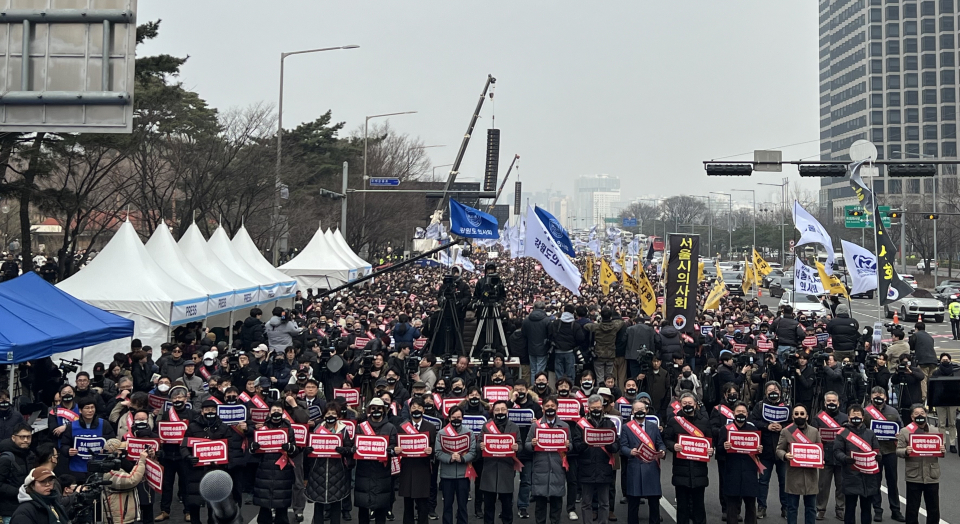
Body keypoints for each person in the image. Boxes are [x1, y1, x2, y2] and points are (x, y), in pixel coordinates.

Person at [662, 391, 713, 524]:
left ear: (696, 405)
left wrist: (710, 450)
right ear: (680, 405)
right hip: (681, 470)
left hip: (699, 470)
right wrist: (673, 446)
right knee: (682, 507)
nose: (687, 405)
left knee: (699, 507)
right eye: (684, 403)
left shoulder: (704, 421)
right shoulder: (674, 421)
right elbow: (666, 439)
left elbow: (710, 441)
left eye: (690, 403)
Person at [181, 400, 232, 524]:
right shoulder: (193, 426)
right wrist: (188, 456)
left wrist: (222, 461)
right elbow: (183, 446)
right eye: (207, 409)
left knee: (213, 505)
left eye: (213, 409)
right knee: (194, 504)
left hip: (214, 471)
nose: (210, 412)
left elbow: (229, 447)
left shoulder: (223, 427)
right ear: (202, 411)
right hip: (195, 471)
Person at [572, 395, 620, 524]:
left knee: (604, 502)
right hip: (586, 466)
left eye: (599, 407)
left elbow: (616, 445)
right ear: (588, 408)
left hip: (604, 466)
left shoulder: (609, 423)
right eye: (594, 408)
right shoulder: (580, 425)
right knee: (586, 502)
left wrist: (609, 444)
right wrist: (585, 443)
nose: (597, 410)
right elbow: (576, 446)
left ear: (603, 407)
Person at [306, 402, 354, 524]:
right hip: (318, 470)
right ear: (324, 415)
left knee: (336, 504)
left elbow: (350, 448)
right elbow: (309, 448)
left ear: (338, 416)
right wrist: (308, 450)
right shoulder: (317, 429)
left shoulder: (343, 430)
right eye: (328, 413)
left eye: (333, 413)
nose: (331, 415)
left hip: (337, 471)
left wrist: (344, 450)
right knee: (318, 504)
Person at [524, 397, 570, 524]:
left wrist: (568, 445)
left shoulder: (564, 426)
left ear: (557, 407)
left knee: (556, 505)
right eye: (547, 406)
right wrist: (532, 444)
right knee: (540, 506)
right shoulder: (535, 425)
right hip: (541, 468)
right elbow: (526, 445)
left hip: (557, 467)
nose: (550, 408)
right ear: (543, 408)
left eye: (552, 406)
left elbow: (571, 447)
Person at [250, 402, 298, 524]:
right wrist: (253, 447)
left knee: (282, 510)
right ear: (269, 413)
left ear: (282, 413)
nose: (276, 412)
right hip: (264, 471)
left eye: (278, 410)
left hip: (283, 471)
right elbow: (254, 454)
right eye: (273, 410)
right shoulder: (261, 429)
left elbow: (296, 451)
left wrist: (290, 448)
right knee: (264, 509)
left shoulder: (289, 430)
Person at [862, 387, 905, 522]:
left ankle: (895, 510)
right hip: (874, 452)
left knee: (892, 482)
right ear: (871, 396)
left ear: (885, 397)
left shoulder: (893, 411)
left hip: (890, 451)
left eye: (881, 394)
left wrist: (899, 435)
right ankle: (877, 510)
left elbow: (901, 428)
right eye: (875, 394)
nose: (878, 396)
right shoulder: (865, 412)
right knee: (875, 482)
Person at [833, 405, 880, 524]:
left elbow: (877, 450)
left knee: (866, 509)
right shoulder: (842, 433)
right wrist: (845, 458)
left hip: (868, 476)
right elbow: (837, 451)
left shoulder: (870, 433)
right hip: (850, 474)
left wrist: (879, 457)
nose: (855, 417)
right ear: (848, 417)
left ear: (863, 418)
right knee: (850, 508)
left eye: (858, 415)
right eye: (853, 415)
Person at [619, 400, 665, 524]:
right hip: (635, 466)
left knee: (654, 502)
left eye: (642, 409)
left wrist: (662, 451)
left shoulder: (653, 426)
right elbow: (622, 446)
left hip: (651, 467)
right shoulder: (627, 427)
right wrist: (630, 451)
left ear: (646, 411)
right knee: (633, 503)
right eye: (637, 410)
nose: (640, 412)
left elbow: (660, 443)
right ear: (633, 412)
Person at [895, 405, 942, 524]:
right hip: (914, 475)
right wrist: (906, 451)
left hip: (932, 475)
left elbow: (941, 451)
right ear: (912, 417)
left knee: (933, 508)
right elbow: (898, 451)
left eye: (922, 413)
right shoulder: (905, 431)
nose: (920, 415)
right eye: (916, 414)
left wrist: (942, 449)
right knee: (912, 508)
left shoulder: (934, 431)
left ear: (926, 414)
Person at [717, 402, 762, 524]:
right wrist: (724, 447)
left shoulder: (753, 429)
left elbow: (758, 452)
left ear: (747, 414)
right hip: (732, 470)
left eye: (743, 412)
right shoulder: (725, 430)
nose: (740, 414)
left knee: (751, 505)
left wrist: (759, 450)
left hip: (749, 471)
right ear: (733, 414)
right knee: (731, 506)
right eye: (738, 412)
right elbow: (719, 452)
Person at [354, 398, 397, 524]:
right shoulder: (361, 427)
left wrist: (389, 450)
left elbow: (394, 446)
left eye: (379, 408)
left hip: (382, 472)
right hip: (364, 471)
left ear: (384, 410)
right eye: (373, 408)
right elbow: (355, 446)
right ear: (368, 410)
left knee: (381, 509)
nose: (376, 411)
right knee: (363, 510)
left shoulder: (391, 428)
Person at [776, 404, 821, 524]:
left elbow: (819, 450)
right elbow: (779, 449)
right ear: (792, 416)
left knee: (811, 508)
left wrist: (820, 459)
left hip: (810, 475)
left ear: (807, 416)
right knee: (792, 508)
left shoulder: (814, 431)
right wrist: (785, 455)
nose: (799, 416)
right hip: (793, 475)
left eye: (802, 413)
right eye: (796, 414)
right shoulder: (786, 431)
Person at [750, 381, 789, 519]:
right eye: (770, 390)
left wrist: (782, 427)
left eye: (775, 390)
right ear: (766, 393)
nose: (773, 392)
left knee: (784, 481)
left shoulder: (787, 406)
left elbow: (793, 423)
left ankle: (785, 508)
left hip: (783, 451)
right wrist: (767, 426)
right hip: (765, 450)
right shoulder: (760, 406)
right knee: (763, 481)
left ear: (780, 391)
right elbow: (752, 421)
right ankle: (761, 507)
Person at [156, 386, 193, 522]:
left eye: (180, 397)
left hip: (183, 455)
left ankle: (188, 511)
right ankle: (165, 511)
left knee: (185, 484)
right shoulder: (166, 414)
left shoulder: (191, 414)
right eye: (175, 398)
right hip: (168, 454)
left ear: (186, 398)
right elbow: (160, 431)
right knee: (167, 485)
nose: (177, 400)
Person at [479, 400, 520, 524]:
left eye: (503, 409)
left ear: (507, 411)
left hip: (506, 469)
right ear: (493, 411)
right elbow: (477, 445)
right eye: (497, 410)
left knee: (507, 506)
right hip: (489, 469)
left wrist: (517, 447)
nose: (500, 412)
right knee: (488, 507)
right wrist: (480, 446)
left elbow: (521, 445)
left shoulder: (514, 426)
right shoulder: (487, 426)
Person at [397, 397, 437, 524]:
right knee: (407, 505)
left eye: (419, 408)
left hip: (422, 469)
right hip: (407, 468)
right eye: (413, 407)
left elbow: (435, 447)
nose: (416, 410)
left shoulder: (430, 427)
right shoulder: (402, 427)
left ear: (423, 410)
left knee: (423, 505)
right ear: (409, 410)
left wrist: (431, 451)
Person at [436, 406, 477, 524]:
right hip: (446, 475)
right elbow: (438, 452)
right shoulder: (442, 433)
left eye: (458, 417)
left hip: (463, 475)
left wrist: (462, 458)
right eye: (453, 417)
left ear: (462, 418)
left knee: (463, 506)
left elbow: (473, 452)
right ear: (449, 418)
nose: (456, 419)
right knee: (447, 505)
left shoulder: (469, 433)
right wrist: (449, 458)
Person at [61, 396, 116, 480]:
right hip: (77, 468)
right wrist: (68, 450)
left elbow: (113, 442)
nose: (90, 410)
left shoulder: (104, 424)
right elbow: (64, 445)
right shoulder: (71, 426)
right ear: (80, 410)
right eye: (87, 408)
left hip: (99, 467)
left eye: (92, 407)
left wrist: (107, 450)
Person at [813, 392, 848, 521]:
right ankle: (820, 509)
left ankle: (840, 509)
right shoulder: (818, 418)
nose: (831, 403)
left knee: (841, 485)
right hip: (825, 456)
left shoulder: (845, 418)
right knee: (823, 485)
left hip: (841, 456)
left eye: (834, 401)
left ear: (838, 403)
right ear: (825, 403)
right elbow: (813, 436)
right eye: (829, 401)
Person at [99, 439, 149, 524]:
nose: (123, 452)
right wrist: (141, 461)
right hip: (118, 518)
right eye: (120, 450)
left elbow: (134, 472)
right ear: (114, 452)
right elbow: (132, 480)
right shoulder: (109, 472)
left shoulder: (116, 466)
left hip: (121, 515)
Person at [0, 423, 36, 524]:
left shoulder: (30, 454)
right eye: (22, 437)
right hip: (9, 508)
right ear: (13, 438)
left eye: (28, 437)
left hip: (28, 505)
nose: (25, 440)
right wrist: (20, 492)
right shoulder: (6, 458)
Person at [583, 308, 625, 385]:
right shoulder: (615, 327)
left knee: (600, 377)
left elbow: (586, 326)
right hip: (611, 354)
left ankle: (600, 392)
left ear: (601, 316)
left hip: (599, 354)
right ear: (610, 317)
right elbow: (621, 322)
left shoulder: (597, 327)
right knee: (609, 377)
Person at [547, 304, 585, 382]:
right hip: (570, 352)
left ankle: (559, 389)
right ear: (573, 313)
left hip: (557, 351)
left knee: (559, 374)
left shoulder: (556, 323)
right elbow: (581, 338)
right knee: (570, 374)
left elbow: (550, 334)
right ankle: (570, 390)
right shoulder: (575, 325)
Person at [931, 353, 959, 454]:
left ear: (950, 360)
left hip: (953, 400)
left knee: (952, 423)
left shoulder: (956, 371)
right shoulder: (936, 372)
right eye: (943, 360)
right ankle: (942, 443)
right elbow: (933, 386)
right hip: (940, 400)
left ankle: (952, 444)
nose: (945, 361)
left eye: (946, 359)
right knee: (941, 423)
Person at [522, 301, 552, 379]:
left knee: (533, 370)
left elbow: (523, 334)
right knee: (540, 370)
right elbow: (550, 334)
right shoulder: (547, 320)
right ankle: (539, 386)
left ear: (534, 308)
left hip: (531, 347)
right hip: (543, 347)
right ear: (544, 308)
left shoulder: (526, 320)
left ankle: (533, 386)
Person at [907, 323, 936, 402]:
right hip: (933, 361)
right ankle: (932, 398)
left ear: (916, 328)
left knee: (923, 380)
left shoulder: (916, 335)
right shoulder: (929, 336)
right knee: (930, 381)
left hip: (923, 361)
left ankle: (923, 399)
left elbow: (911, 347)